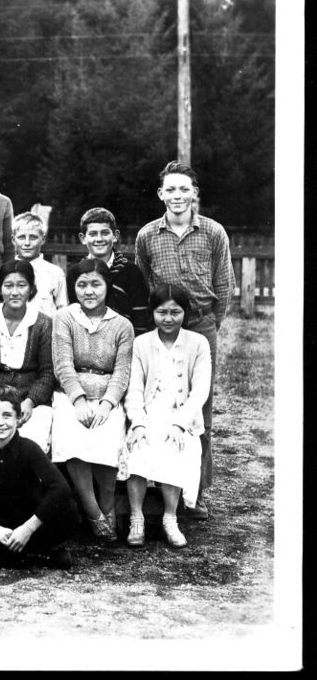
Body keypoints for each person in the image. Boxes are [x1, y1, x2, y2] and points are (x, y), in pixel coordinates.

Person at [134, 161, 234, 521]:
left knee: (197, 407)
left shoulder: (212, 232)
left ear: (195, 193)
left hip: (201, 324)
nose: (177, 196)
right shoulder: (147, 235)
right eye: (170, 190)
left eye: (184, 189)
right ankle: (158, 484)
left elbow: (224, 285)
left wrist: (208, 326)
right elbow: (145, 281)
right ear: (161, 195)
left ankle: (196, 491)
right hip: (162, 323)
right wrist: (162, 321)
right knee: (157, 399)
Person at [121, 284, 212, 549]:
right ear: (153, 313)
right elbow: (134, 388)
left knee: (177, 446)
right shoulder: (141, 343)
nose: (168, 318)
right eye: (162, 312)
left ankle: (170, 518)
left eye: (175, 312)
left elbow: (200, 391)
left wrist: (180, 423)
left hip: (181, 416)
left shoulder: (198, 343)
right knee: (137, 446)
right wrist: (137, 422)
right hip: (149, 413)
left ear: (186, 312)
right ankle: (136, 517)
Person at [51, 258, 134, 542]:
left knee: (108, 434)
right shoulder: (64, 318)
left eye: (96, 284)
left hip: (108, 395)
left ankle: (108, 504)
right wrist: (78, 400)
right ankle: (93, 512)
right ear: (74, 288)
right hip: (70, 395)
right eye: (82, 285)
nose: (89, 291)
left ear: (107, 287)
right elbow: (62, 365)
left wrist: (109, 403)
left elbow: (122, 371)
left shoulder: (122, 325)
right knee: (72, 434)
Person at [0, 385, 79, 569]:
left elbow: (60, 488)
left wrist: (27, 529)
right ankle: (41, 558)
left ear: (18, 418)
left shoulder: (30, 448)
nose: (0, 423)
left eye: (7, 416)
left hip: (27, 523)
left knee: (69, 511)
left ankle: (2, 556)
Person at [0, 260, 55, 455]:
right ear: (0, 288)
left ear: (32, 288)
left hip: (31, 399)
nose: (15, 292)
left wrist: (30, 402)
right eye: (8, 285)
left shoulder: (43, 323)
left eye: (22, 285)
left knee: (33, 445)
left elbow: (47, 372)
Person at [67, 207, 151, 335]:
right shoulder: (76, 273)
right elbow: (74, 315)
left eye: (105, 233)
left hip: (124, 342)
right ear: (83, 238)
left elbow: (140, 318)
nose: (99, 239)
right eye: (93, 234)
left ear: (115, 236)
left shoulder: (131, 271)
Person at [6, 211, 67, 317]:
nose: (27, 243)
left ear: (42, 239)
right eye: (21, 237)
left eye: (33, 237)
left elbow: (62, 310)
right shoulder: (4, 272)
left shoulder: (55, 273)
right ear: (13, 240)